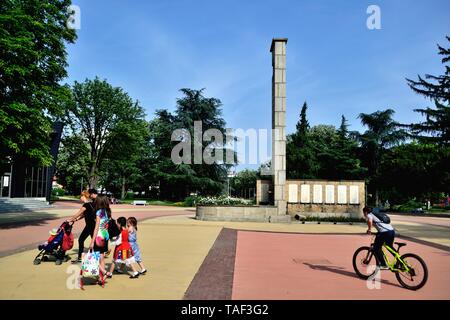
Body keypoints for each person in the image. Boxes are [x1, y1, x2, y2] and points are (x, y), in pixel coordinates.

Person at [68, 189, 98, 263]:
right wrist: (76, 220)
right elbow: (85, 215)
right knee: (94, 241)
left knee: (81, 240)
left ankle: (80, 257)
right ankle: (100, 253)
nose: (80, 198)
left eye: (81, 196)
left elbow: (78, 213)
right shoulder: (93, 204)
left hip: (89, 226)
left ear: (84, 197)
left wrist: (70, 219)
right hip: (94, 225)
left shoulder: (86, 205)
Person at [88, 195, 110, 278]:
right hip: (105, 236)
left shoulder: (99, 212)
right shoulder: (107, 211)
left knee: (94, 258)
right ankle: (102, 278)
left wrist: (92, 242)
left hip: (99, 237)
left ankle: (104, 272)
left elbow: (96, 228)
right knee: (101, 257)